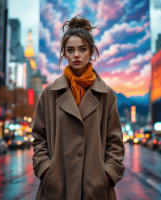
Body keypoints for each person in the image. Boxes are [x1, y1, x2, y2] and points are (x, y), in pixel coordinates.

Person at [32, 15, 125, 200]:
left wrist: (105, 176)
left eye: (82, 49)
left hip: (94, 189)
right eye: (70, 50)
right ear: (64, 53)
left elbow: (115, 143)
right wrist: (46, 171)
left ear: (91, 52)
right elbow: (38, 139)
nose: (76, 55)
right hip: (58, 187)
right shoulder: (49, 93)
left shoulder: (106, 94)